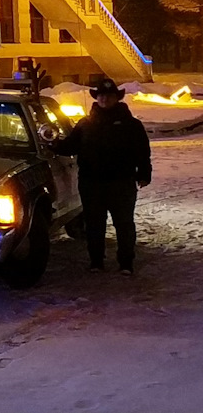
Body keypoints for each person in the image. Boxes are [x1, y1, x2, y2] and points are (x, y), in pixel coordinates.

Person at [55, 78, 151, 275]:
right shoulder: (85, 124)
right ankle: (96, 261)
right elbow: (71, 146)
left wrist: (144, 173)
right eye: (101, 95)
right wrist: (52, 143)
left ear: (117, 98)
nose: (104, 98)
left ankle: (126, 263)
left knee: (124, 223)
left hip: (121, 182)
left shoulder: (131, 125)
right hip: (92, 183)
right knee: (94, 224)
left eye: (109, 95)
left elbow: (142, 151)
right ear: (96, 98)